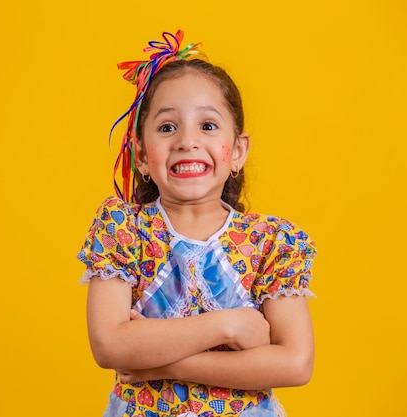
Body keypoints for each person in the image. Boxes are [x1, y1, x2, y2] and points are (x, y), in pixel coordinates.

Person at [77, 30, 317, 417]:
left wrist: (160, 363)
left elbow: (294, 363)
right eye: (168, 127)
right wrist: (230, 326)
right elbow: (109, 346)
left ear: (237, 151)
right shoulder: (123, 230)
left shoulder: (271, 242)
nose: (187, 141)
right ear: (140, 154)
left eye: (207, 126)